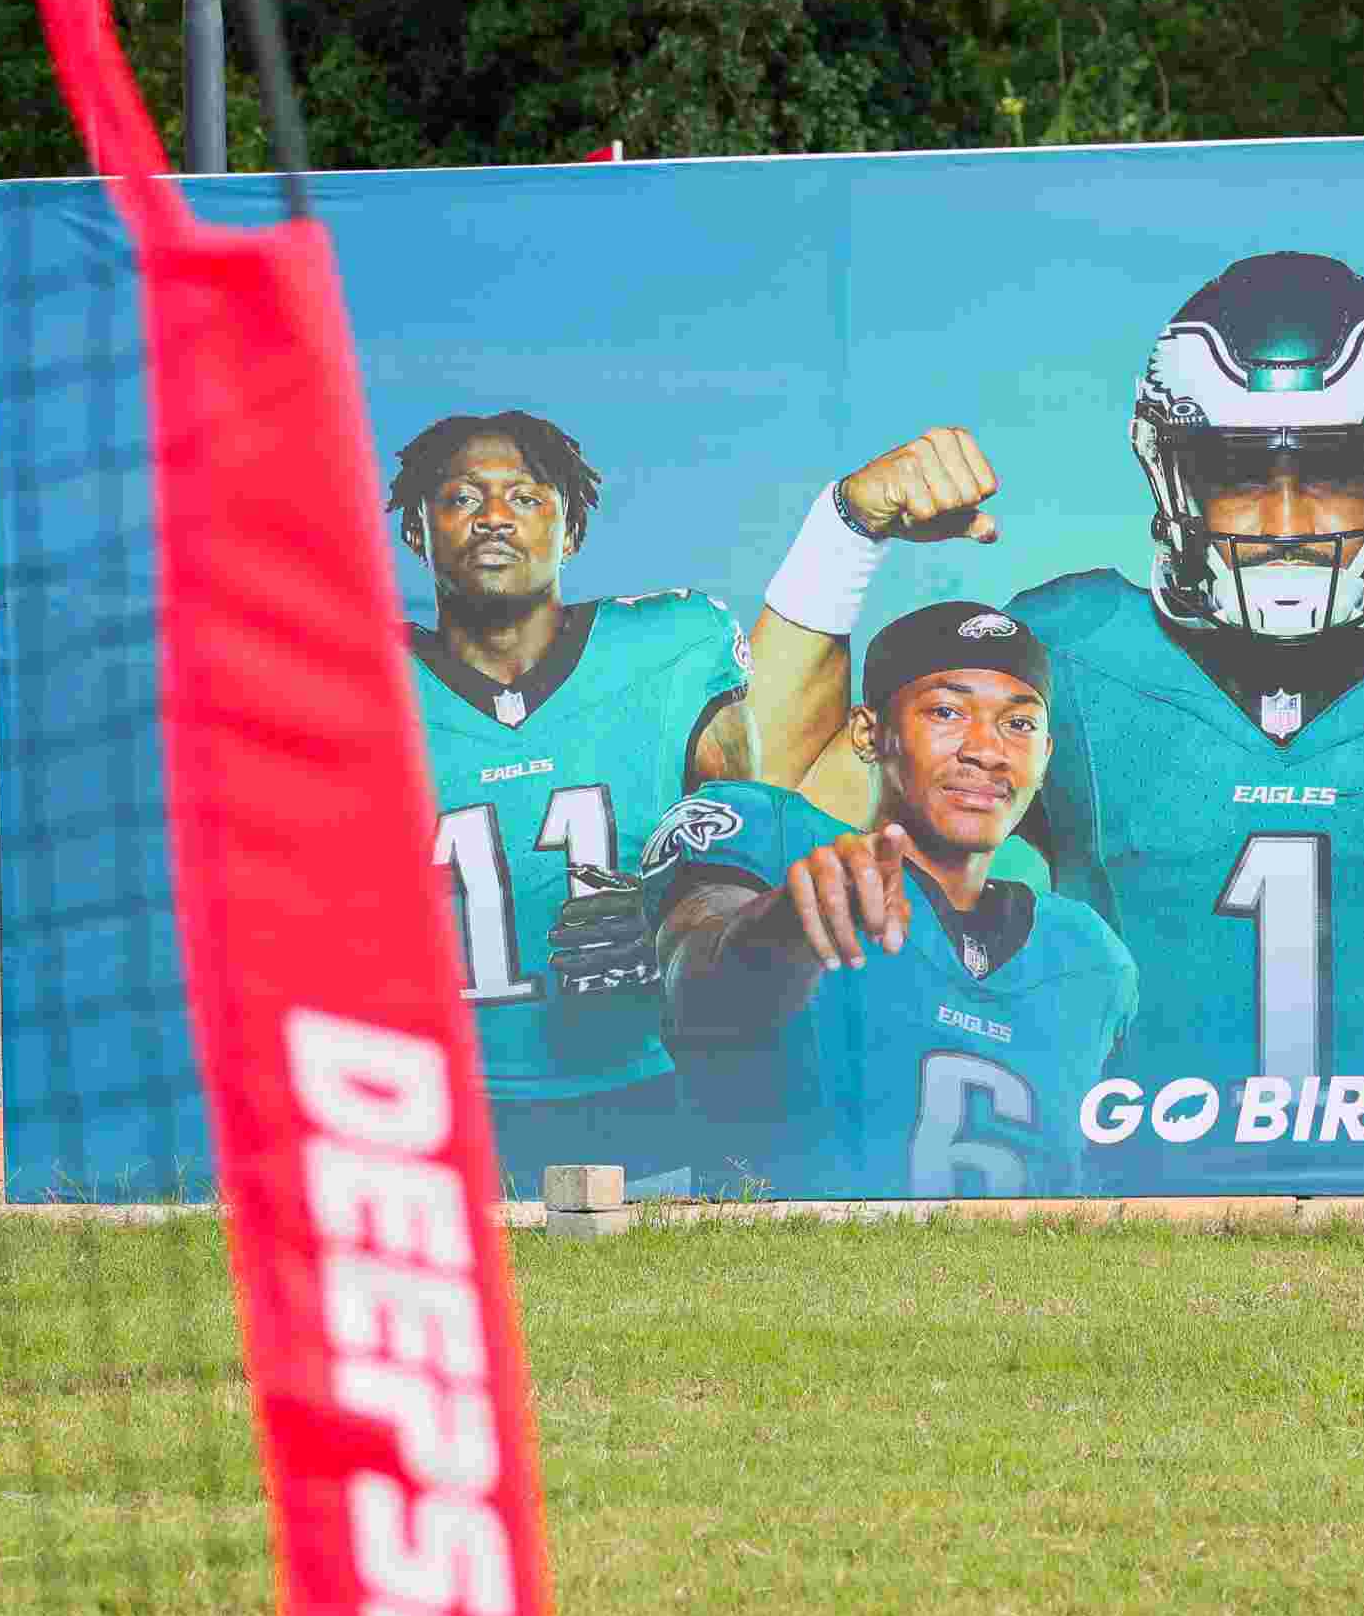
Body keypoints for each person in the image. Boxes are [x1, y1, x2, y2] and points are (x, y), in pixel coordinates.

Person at [749, 256, 1364, 1184]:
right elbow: (791, 800)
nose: (1287, 521)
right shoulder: (1074, 648)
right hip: (1144, 1226)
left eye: (1331, 471)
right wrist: (846, 531)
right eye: (1241, 475)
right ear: (1171, 474)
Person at [395, 409, 990, 1194]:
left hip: (651, 1103)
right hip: (441, 1120)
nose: (496, 516)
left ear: (571, 528)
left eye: (527, 496)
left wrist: (661, 914)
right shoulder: (356, 681)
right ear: (415, 529)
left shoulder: (669, 648)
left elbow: (753, 827)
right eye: (464, 497)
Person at [641, 603, 1135, 1198]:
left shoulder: (1088, 953)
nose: (987, 750)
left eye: (1020, 724)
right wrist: (782, 929)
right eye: (947, 712)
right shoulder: (776, 836)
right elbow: (694, 983)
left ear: (1047, 754)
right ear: (869, 733)